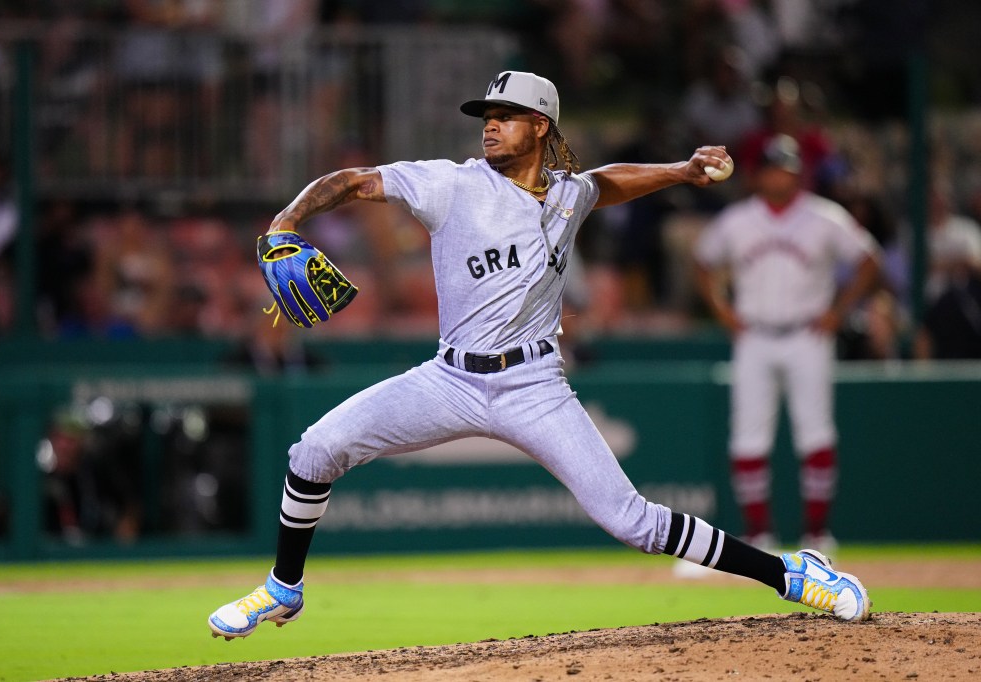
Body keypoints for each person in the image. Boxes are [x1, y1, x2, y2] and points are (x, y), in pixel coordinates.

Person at [208, 72, 871, 640]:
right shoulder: (451, 185)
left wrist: (679, 170)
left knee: (631, 520)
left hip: (533, 384)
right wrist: (285, 221)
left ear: (540, 125)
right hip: (449, 377)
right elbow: (352, 180)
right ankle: (283, 587)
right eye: (486, 117)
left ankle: (792, 574)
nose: (489, 126)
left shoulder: (565, 194)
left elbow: (602, 184)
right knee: (314, 450)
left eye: (505, 117)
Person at [693, 133, 881, 555]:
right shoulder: (738, 219)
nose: (783, 175)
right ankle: (759, 534)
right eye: (775, 167)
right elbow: (701, 262)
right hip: (754, 335)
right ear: (760, 174)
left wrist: (840, 310)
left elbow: (870, 260)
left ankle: (817, 535)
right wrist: (720, 309)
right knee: (747, 437)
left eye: (790, 168)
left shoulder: (824, 217)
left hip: (806, 334)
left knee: (814, 433)